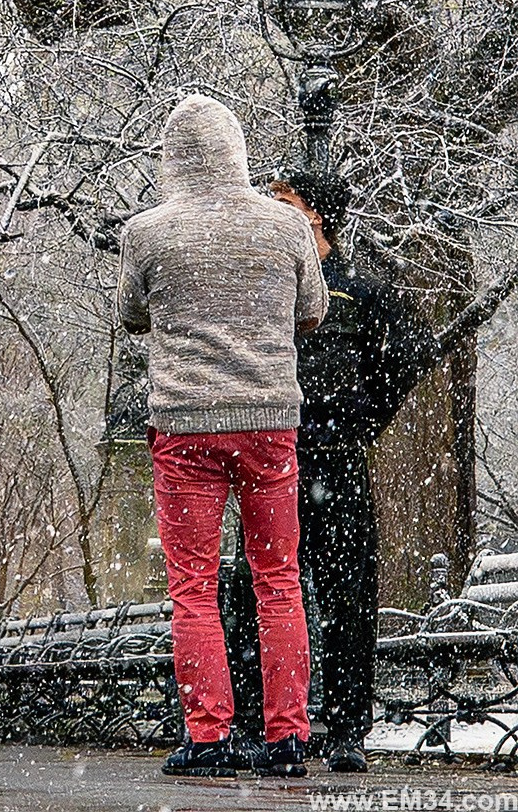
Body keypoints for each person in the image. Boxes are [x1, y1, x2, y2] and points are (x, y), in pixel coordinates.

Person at [116, 94, 328, 779]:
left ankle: (207, 736)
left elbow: (132, 315)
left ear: (172, 160)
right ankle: (287, 737)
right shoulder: (285, 225)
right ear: (237, 152)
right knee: (278, 579)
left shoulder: (147, 232)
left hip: (185, 426)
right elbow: (312, 310)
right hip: (268, 422)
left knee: (193, 587)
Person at [223, 169, 440, 773]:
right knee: (256, 590)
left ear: (317, 216)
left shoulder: (360, 290)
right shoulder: (265, 289)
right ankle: (256, 724)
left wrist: (362, 417)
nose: (273, 210)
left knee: (349, 596)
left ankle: (347, 730)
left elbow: (412, 353)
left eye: (285, 201)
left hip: (337, 463)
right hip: (274, 459)